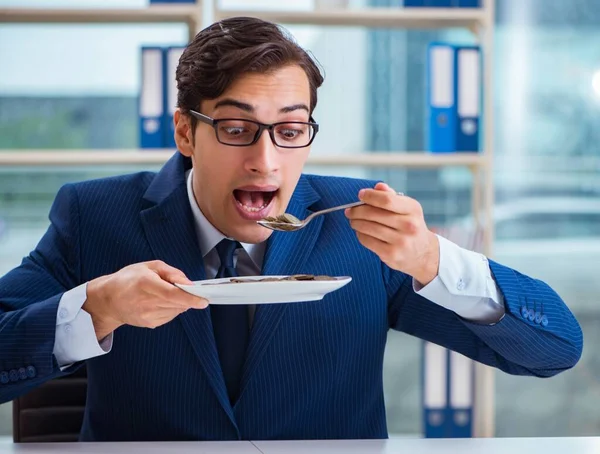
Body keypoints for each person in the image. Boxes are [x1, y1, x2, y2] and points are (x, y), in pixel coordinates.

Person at [0, 16, 582, 442]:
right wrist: (95, 308)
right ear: (185, 134)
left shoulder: (360, 226)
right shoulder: (95, 215)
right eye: (235, 128)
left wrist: (435, 260)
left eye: (290, 129)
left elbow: (554, 350)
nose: (266, 161)